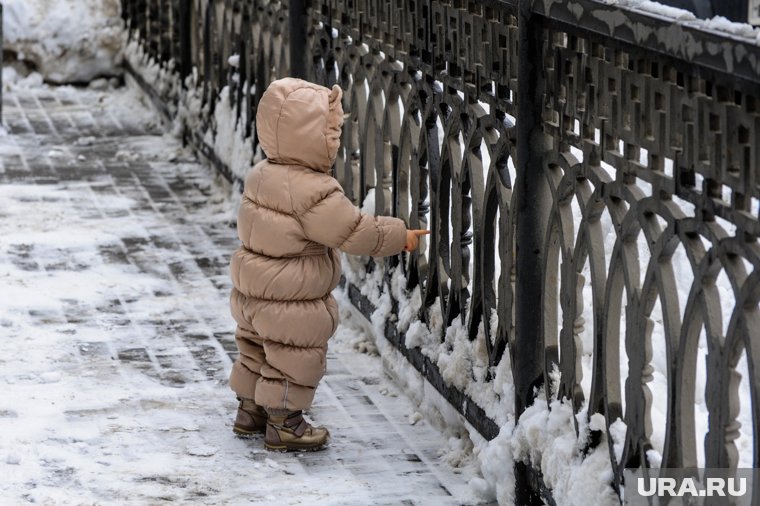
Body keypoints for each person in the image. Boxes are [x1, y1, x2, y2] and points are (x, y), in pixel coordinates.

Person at [228, 77, 429, 452]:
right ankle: (285, 424)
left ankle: (249, 412)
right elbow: (353, 231)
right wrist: (399, 234)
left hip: (252, 292)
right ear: (307, 137)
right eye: (330, 134)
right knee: (291, 358)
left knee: (255, 351)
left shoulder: (261, 175)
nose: (335, 142)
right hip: (291, 299)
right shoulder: (315, 191)